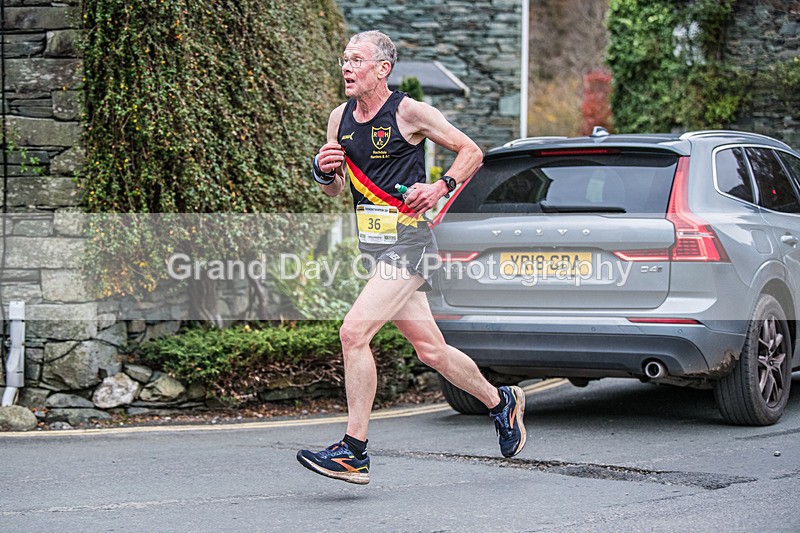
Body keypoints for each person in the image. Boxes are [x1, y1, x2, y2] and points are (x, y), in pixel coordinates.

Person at [296, 30, 526, 485]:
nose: (346, 66)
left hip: (410, 243)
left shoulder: (408, 111)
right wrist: (322, 171)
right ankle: (502, 403)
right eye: (344, 59)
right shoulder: (338, 118)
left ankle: (354, 451)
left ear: (382, 69)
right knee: (432, 351)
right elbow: (337, 189)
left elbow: (471, 151)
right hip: (375, 248)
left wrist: (441, 187)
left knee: (353, 333)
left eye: (356, 59)